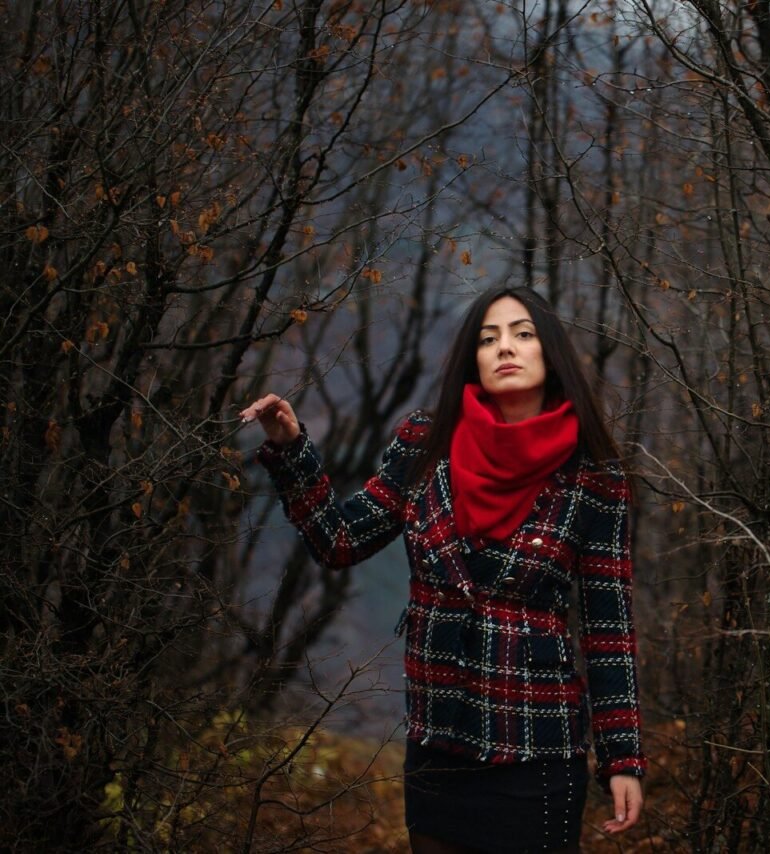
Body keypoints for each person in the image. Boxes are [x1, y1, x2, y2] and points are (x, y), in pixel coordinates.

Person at [240, 286, 646, 853]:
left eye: (523, 334)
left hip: (538, 745)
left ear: (551, 353)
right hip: (439, 742)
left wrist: (622, 758)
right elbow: (340, 542)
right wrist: (291, 450)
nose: (505, 347)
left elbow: (609, 632)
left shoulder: (594, 476)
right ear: (472, 359)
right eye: (488, 338)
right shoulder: (426, 443)